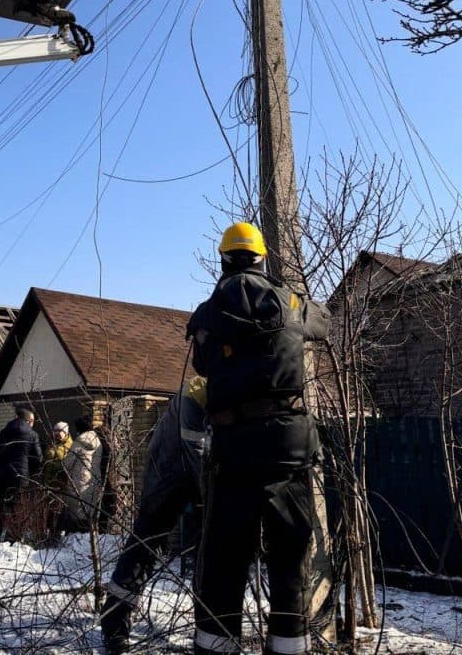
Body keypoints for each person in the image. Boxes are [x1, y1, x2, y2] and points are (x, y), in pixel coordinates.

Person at [187, 222, 330, 655]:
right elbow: (324, 323)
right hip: (289, 447)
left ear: (224, 259)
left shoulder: (207, 313)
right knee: (289, 562)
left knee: (224, 562)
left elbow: (202, 367)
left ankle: (216, 648)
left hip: (235, 451)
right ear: (262, 257)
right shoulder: (290, 303)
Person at [100, 376, 207, 655]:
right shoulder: (195, 394)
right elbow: (198, 452)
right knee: (144, 546)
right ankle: (114, 626)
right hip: (167, 474)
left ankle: (207, 628)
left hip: (196, 473)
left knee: (207, 556)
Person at [0, 404, 42, 553]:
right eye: (33, 421)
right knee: (17, 509)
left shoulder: (5, 432)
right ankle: (13, 541)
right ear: (29, 420)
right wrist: (30, 475)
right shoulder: (32, 434)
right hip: (21, 478)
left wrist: (0, 470)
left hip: (3, 476)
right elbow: (37, 458)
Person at [64, 415, 105, 529]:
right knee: (89, 510)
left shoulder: (79, 442)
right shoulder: (98, 441)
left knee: (77, 512)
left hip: (79, 480)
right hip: (94, 479)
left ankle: (77, 537)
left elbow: (67, 463)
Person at [43, 421, 73, 539]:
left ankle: (57, 534)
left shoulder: (70, 446)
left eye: (60, 431)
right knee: (50, 510)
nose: (57, 434)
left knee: (59, 510)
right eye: (55, 431)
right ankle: (50, 533)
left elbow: (67, 464)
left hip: (62, 483)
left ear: (66, 433)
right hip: (49, 482)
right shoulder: (51, 444)